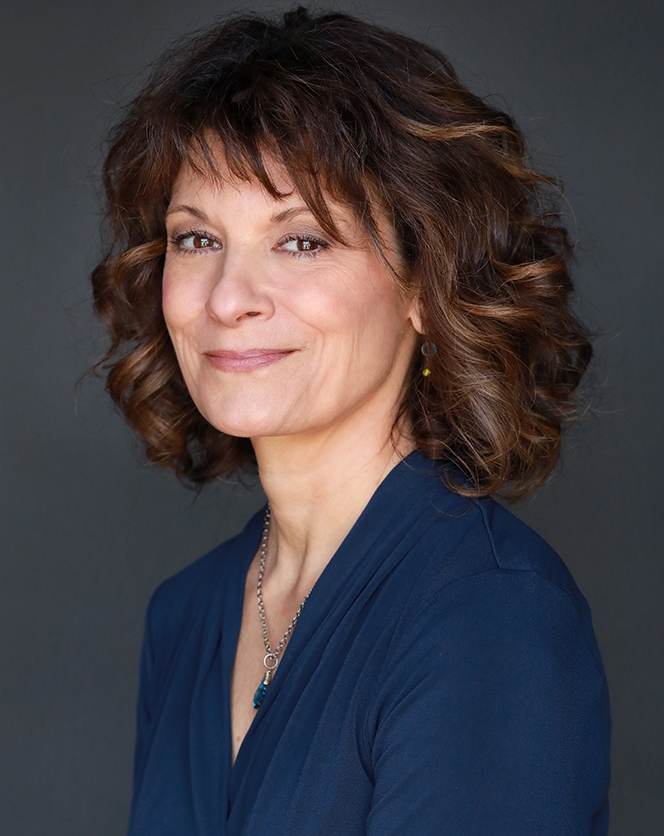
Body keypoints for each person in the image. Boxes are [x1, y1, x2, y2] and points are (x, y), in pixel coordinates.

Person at [91, 7, 610, 834]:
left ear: (423, 287)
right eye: (196, 240)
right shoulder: (185, 616)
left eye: (301, 241)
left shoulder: (489, 617)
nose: (228, 298)